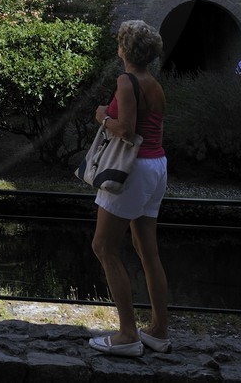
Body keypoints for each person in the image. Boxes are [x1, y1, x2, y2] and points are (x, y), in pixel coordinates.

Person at [88, 20, 172, 357]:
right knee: (147, 250)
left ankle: (127, 334)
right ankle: (159, 331)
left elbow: (126, 129)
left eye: (120, 42)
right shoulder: (153, 83)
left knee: (104, 247)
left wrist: (102, 117)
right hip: (157, 166)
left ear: (125, 49)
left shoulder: (127, 81)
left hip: (132, 169)